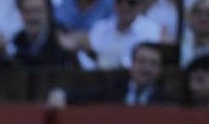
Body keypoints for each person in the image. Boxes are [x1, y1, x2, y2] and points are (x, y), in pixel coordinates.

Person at [47, 40, 175, 104]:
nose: (146, 68)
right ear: (131, 65)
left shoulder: (167, 101)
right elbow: (84, 97)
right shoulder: (114, 89)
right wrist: (61, 95)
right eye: (141, 61)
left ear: (160, 70)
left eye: (153, 63)